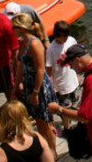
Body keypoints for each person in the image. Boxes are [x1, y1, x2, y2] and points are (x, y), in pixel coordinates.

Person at [48, 44, 92, 162]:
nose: (71, 69)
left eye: (71, 65)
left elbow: (84, 116)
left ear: (77, 60)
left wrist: (59, 109)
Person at [10, 14, 57, 158]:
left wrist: (36, 93)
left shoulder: (34, 44)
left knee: (45, 123)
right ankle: (46, 150)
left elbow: (40, 70)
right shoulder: (22, 42)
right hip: (29, 85)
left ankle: (52, 153)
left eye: (14, 27)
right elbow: (20, 67)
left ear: (22, 28)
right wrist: (16, 86)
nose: (12, 30)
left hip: (39, 87)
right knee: (37, 120)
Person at [45, 21, 79, 129]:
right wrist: (50, 85)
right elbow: (49, 68)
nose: (65, 39)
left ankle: (70, 123)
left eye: (66, 36)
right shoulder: (51, 49)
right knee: (64, 108)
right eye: (63, 37)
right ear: (57, 35)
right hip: (61, 84)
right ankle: (66, 128)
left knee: (73, 103)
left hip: (72, 80)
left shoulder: (71, 40)